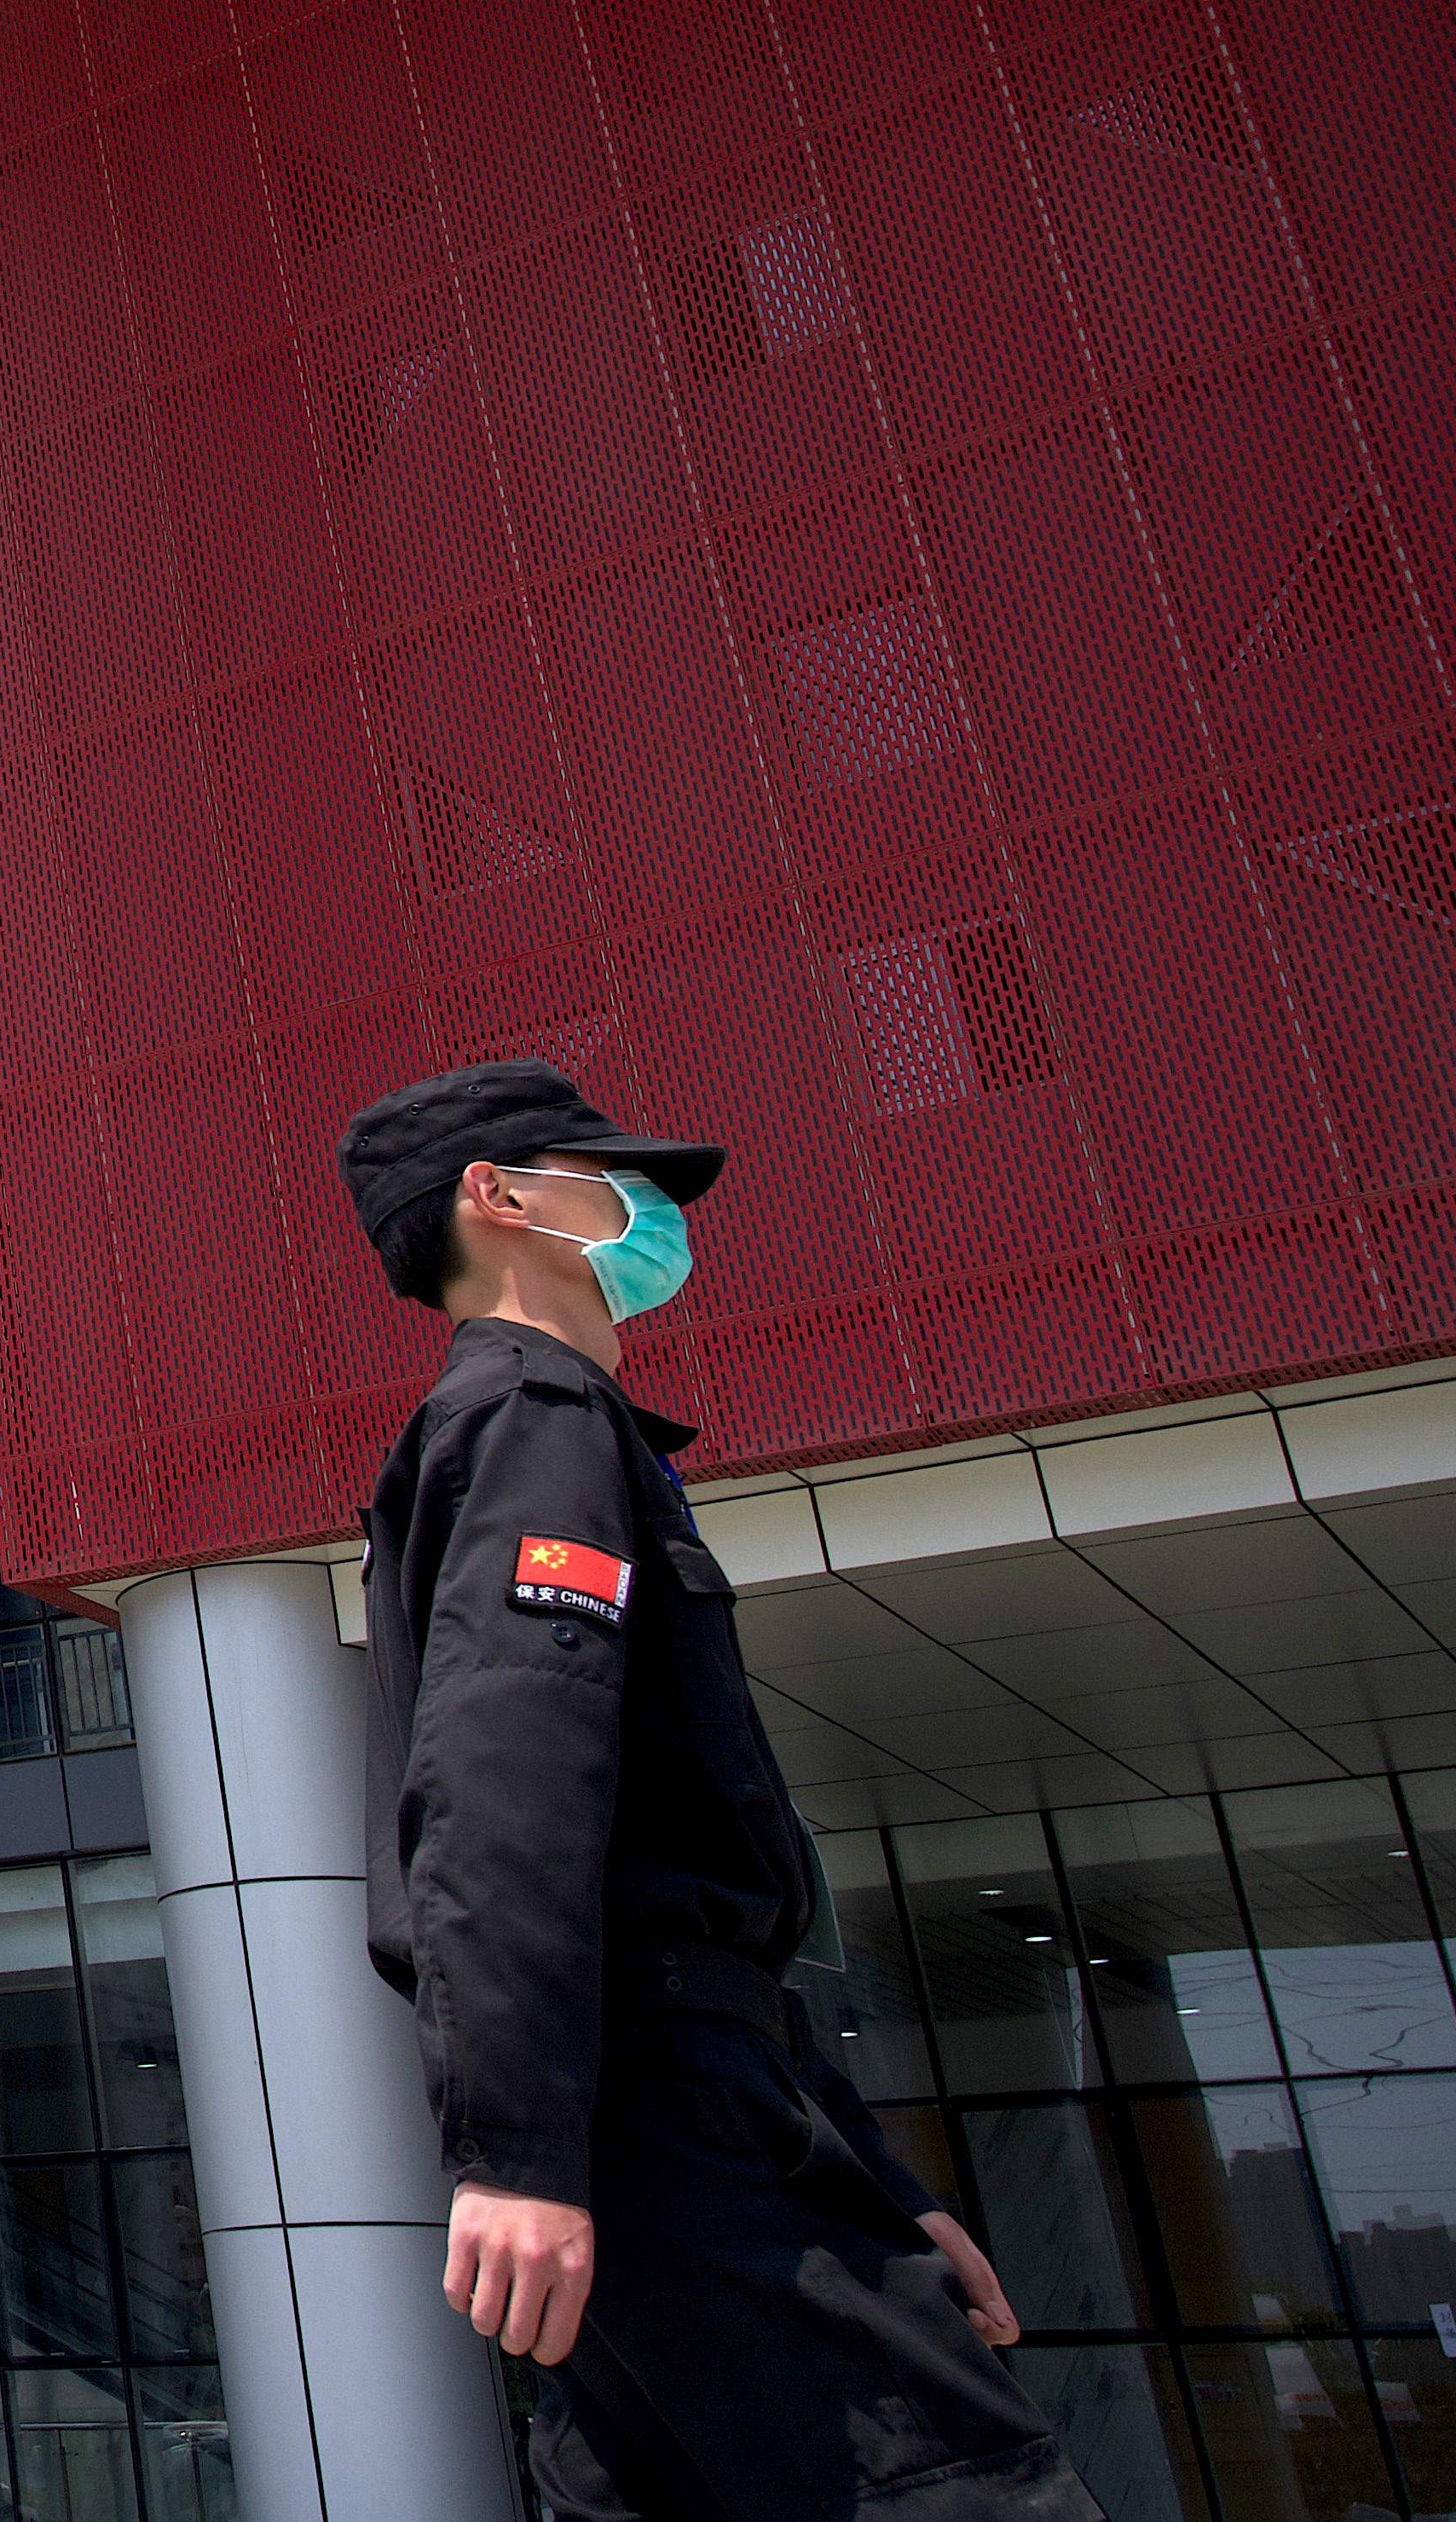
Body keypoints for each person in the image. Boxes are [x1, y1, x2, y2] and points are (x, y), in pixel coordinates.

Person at [339, 1061, 1095, 2520]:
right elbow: (504, 1786)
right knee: (953, 2492)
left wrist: (878, 2186)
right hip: (657, 2113)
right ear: (494, 1200)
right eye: (606, 1175)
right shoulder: (528, 1420)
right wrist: (516, 2151)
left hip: (671, 2094)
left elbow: (683, 1906)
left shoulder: (546, 1429)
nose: (646, 1212)